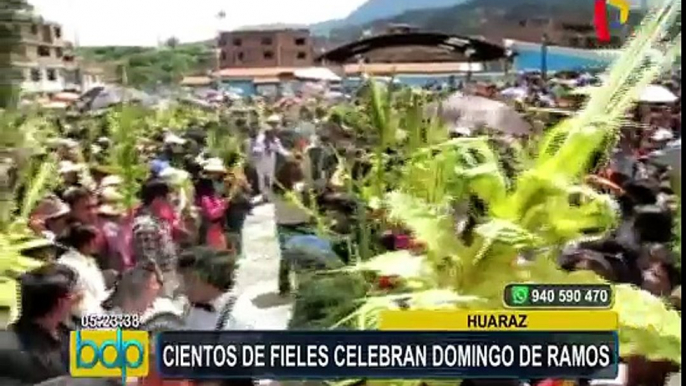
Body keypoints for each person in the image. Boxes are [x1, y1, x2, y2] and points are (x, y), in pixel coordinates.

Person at [0, 264, 81, 385]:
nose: (80, 297)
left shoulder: (67, 331)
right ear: (61, 303)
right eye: (75, 293)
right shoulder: (10, 352)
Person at [131, 179, 180, 298]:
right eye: (168, 196)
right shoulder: (145, 224)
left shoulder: (159, 221)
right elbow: (148, 259)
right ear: (158, 199)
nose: (171, 200)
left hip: (167, 278)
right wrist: (160, 283)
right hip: (156, 283)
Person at [57, 223, 108, 316]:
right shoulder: (65, 264)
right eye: (97, 241)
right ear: (88, 243)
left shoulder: (90, 261)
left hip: (100, 313)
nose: (100, 244)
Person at [252, 115, 290, 201]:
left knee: (269, 178)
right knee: (262, 178)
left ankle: (267, 194)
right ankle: (264, 194)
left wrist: (289, 154)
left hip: (270, 160)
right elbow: (257, 150)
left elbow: (280, 149)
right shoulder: (261, 138)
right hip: (261, 160)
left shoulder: (275, 140)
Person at [196, 159, 229, 250]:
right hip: (211, 228)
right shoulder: (205, 198)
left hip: (216, 226)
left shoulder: (209, 196)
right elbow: (211, 214)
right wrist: (222, 205)